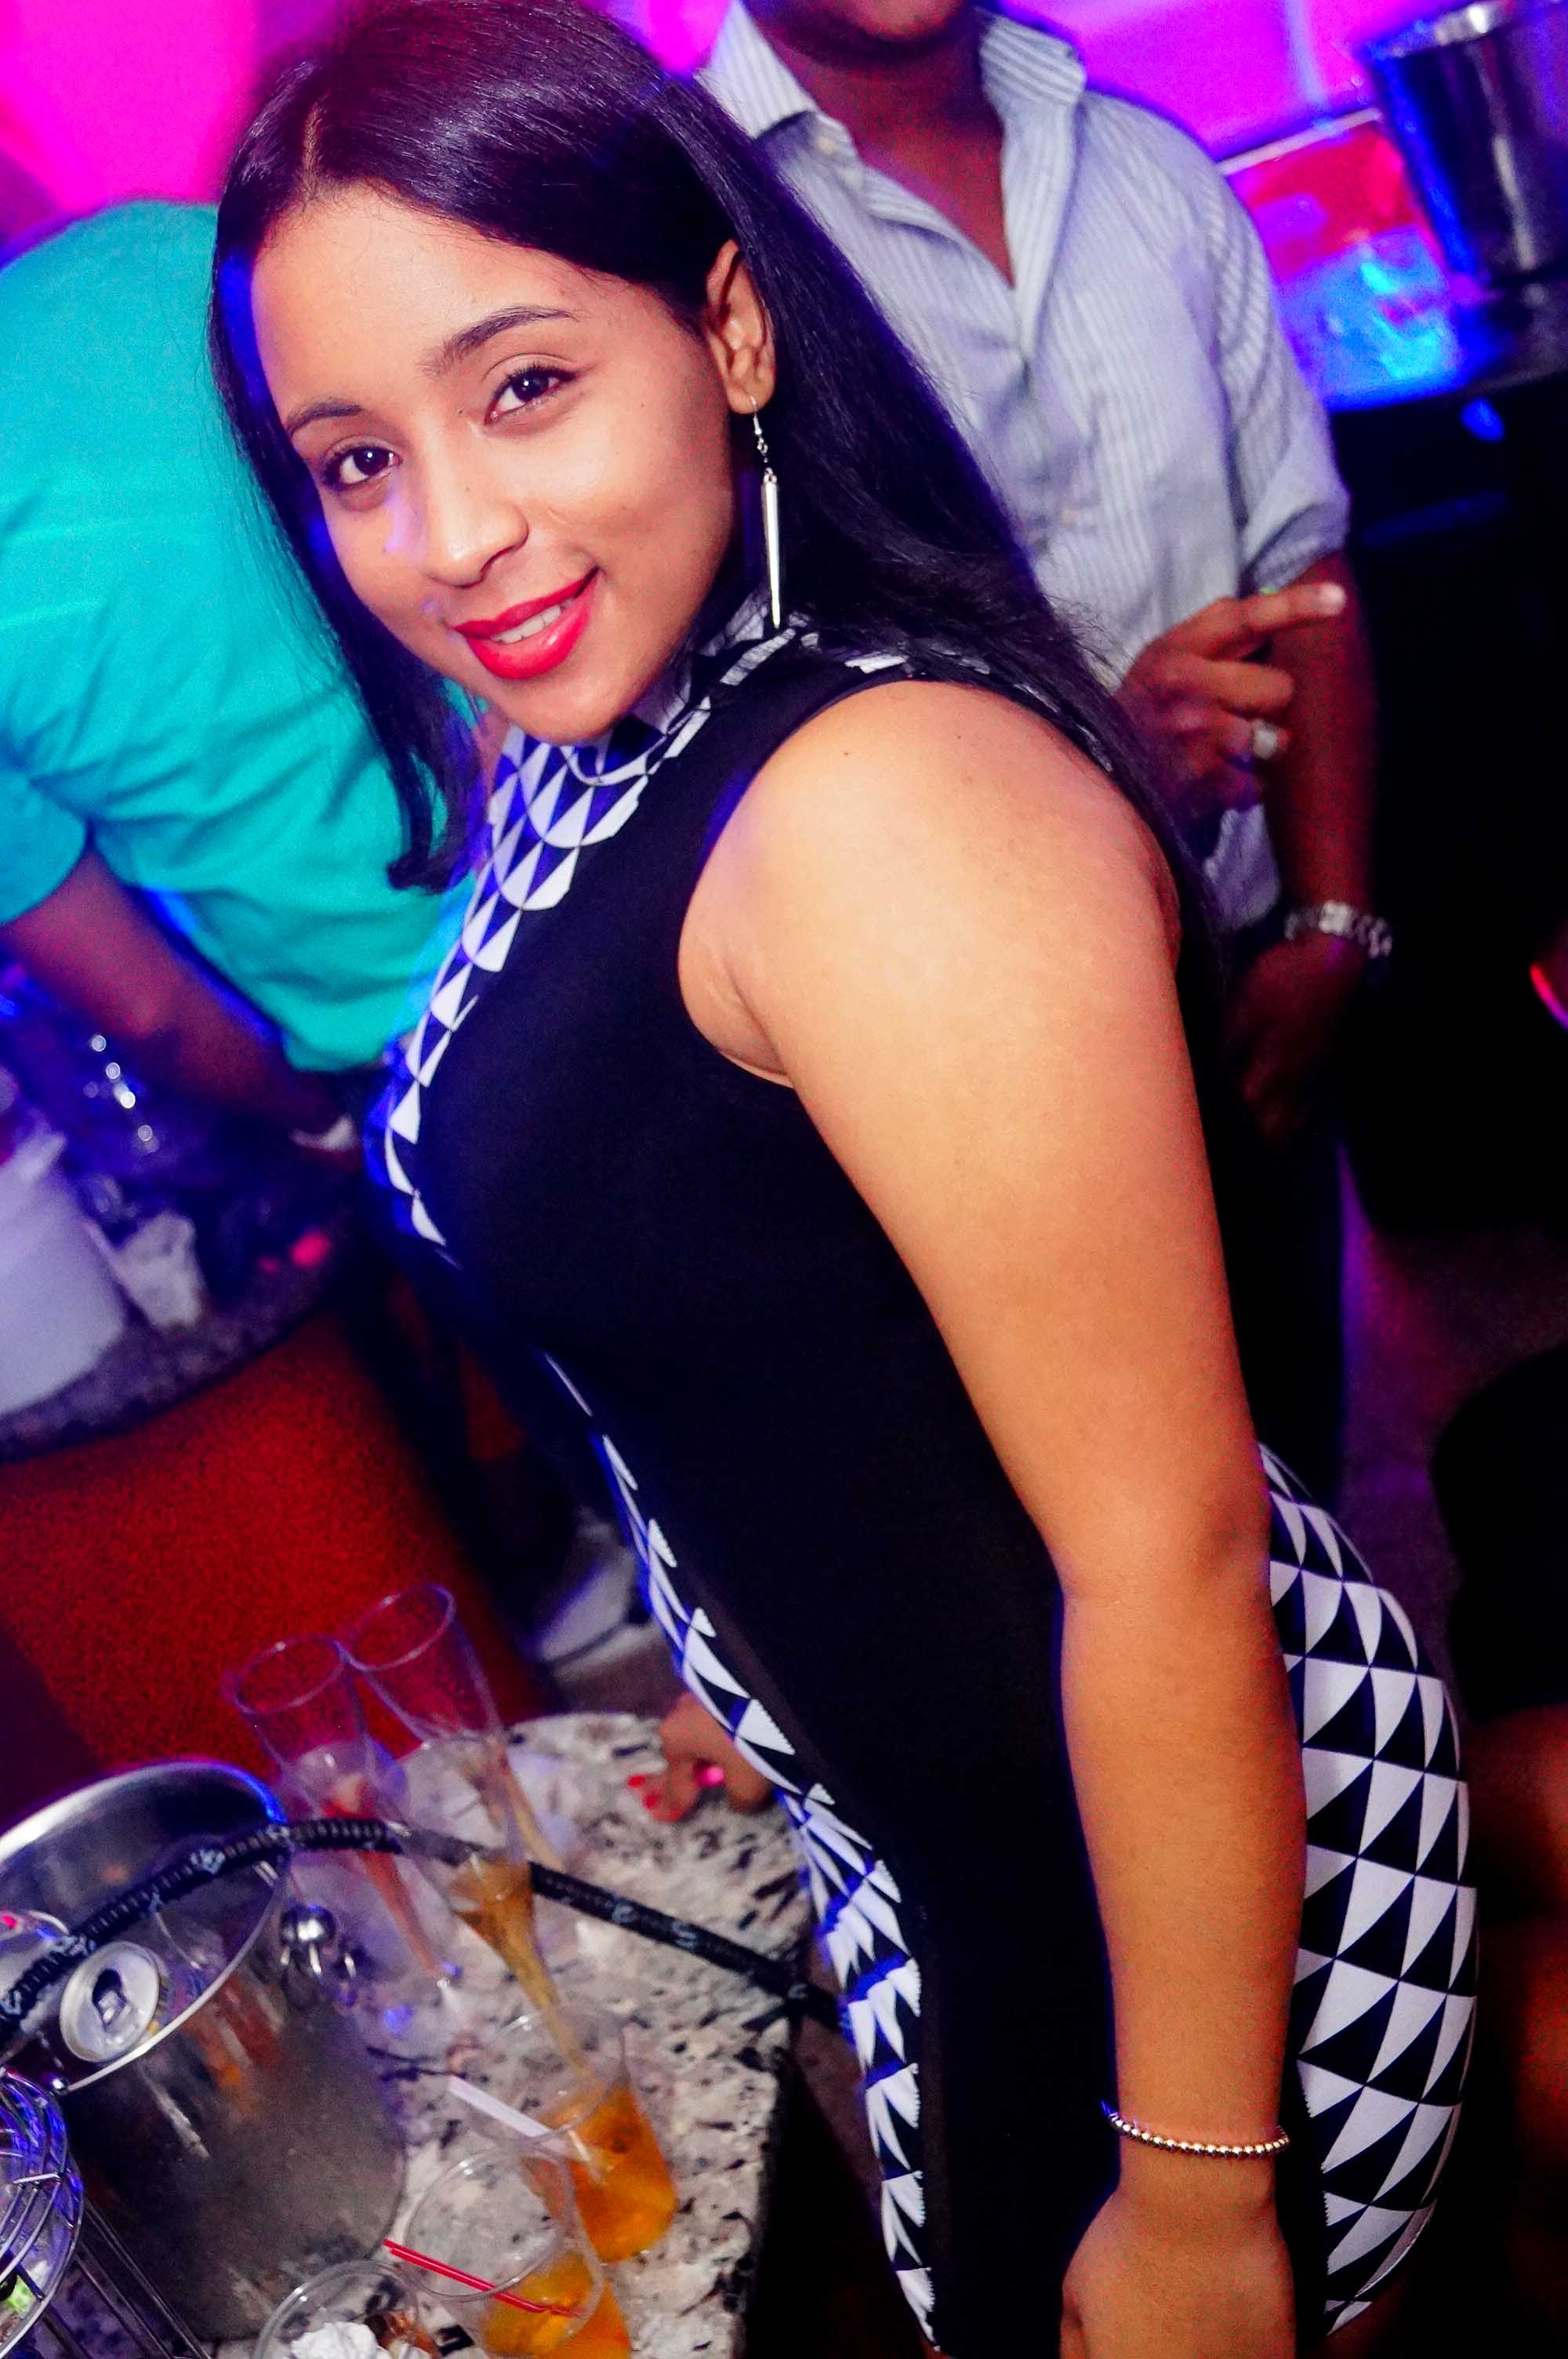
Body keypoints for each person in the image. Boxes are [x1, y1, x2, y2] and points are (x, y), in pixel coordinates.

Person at [211, 3, 1472, 2350]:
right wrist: (757, 1634)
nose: (449, 534)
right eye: (356, 458)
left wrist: (1202, 2197)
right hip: (949, 1827)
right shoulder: (615, 708)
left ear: (728, 324)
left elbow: (1170, 1551)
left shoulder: (888, 811)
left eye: (523, 387)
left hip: (1156, 1916)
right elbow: (746, 1263)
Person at [700, 0, 1383, 1500]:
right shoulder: (680, 235)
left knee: (1308, 1506)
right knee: (1117, 1547)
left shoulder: (1144, 165)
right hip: (957, 1082)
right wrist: (1092, 767)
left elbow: (1306, 560)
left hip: (1250, 997)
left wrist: (1332, 927)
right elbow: (720, 728)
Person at [0, 202, 456, 1142]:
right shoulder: (156, 245)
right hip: (589, 816)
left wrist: (322, 1133)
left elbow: (147, 1013)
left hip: (421, 1039)